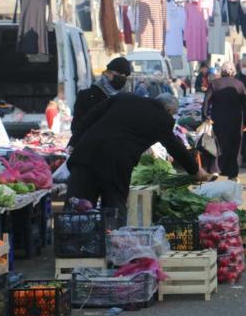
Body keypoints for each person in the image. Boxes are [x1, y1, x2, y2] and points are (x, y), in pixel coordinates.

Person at [67, 93, 211, 225]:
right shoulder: (162, 119)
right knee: (113, 207)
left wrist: (74, 142)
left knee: (78, 208)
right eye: (172, 114)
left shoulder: (123, 98)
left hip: (85, 154)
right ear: (168, 110)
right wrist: (196, 171)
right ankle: (112, 242)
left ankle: (73, 244)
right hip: (115, 164)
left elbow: (90, 116)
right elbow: (176, 148)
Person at [203, 62, 246, 181]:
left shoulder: (214, 84)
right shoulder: (239, 84)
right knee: (234, 146)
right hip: (236, 119)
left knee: (217, 143)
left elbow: (206, 102)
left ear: (222, 71)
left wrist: (205, 117)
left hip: (217, 119)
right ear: (233, 71)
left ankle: (215, 170)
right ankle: (232, 174)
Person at [71, 56, 132, 136]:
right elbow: (76, 127)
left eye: (125, 76)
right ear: (107, 73)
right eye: (119, 74)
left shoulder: (126, 99)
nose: (122, 78)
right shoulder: (86, 96)